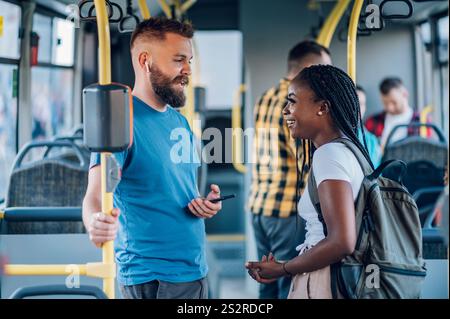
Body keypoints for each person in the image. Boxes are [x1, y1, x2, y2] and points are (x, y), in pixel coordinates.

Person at [82, 17, 222, 299]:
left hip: (193, 268)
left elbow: (179, 190)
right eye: (178, 60)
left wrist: (203, 204)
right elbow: (94, 196)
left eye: (189, 61)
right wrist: (94, 222)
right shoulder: (122, 122)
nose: (187, 70)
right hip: (153, 277)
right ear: (145, 61)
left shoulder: (178, 121)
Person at [246, 64, 373, 299]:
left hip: (326, 281)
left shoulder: (329, 155)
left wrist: (285, 268)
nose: (285, 110)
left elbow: (342, 241)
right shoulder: (349, 149)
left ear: (322, 107)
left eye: (292, 101)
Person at [247, 41, 331, 299]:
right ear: (309, 68)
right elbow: (304, 158)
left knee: (266, 282)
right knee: (288, 283)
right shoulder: (298, 102)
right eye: (324, 70)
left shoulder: (266, 96)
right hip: (286, 211)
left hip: (260, 205)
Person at [365, 77, 430, 148]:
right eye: (385, 103)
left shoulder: (421, 120)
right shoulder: (372, 122)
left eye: (394, 102)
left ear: (405, 94)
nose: (390, 107)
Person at [356, 85, 381, 167]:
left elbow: (376, 174)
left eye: (362, 104)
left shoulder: (371, 140)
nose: (358, 108)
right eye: (355, 103)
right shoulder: (332, 135)